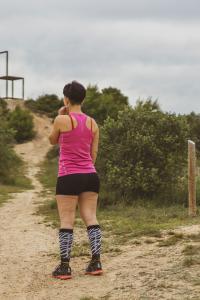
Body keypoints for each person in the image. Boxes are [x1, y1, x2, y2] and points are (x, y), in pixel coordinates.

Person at [48, 80, 102, 280]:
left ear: (66, 99)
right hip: (90, 175)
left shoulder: (61, 120)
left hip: (68, 176)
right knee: (91, 217)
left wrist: (61, 115)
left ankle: (64, 267)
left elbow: (52, 140)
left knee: (67, 220)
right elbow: (93, 153)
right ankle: (95, 262)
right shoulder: (93, 123)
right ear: (84, 98)